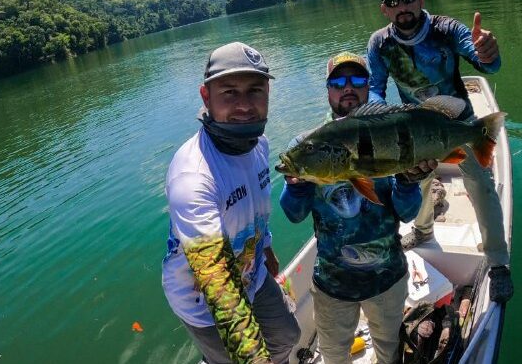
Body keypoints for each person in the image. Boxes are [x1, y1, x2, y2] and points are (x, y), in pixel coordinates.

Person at [366, 0, 513, 303]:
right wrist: (383, 118)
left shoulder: (447, 29)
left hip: (460, 120)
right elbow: (375, 88)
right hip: (416, 131)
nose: (402, 6)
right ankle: (422, 229)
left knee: (479, 183)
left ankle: (498, 262)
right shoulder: (380, 43)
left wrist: (489, 54)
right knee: (418, 181)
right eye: (393, 1)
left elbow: (485, 64)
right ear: (384, 9)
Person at [280, 52, 435, 364]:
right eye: (338, 81)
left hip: (388, 279)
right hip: (332, 285)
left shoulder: (388, 133)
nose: (347, 87)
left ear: (368, 87)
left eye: (357, 80)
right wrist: (298, 186)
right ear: (328, 90)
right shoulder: (306, 146)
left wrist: (407, 181)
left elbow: (406, 212)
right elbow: (294, 214)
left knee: (389, 350)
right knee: (335, 356)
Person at [162, 42, 300, 364]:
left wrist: (266, 248)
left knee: (287, 336)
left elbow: (254, 205)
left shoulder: (259, 144)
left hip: (254, 271)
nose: (244, 106)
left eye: (255, 91)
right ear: (205, 97)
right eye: (229, 93)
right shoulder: (193, 176)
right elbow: (217, 284)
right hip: (203, 301)